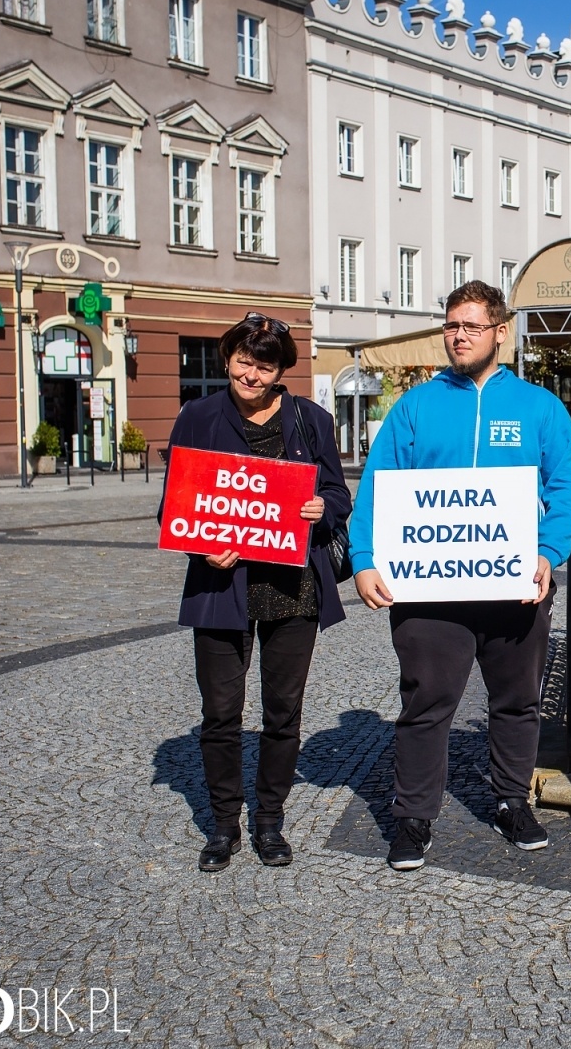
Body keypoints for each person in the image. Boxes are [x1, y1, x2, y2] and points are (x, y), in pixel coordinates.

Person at [350, 281, 571, 872]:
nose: (458, 336)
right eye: (451, 326)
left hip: (514, 586)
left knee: (517, 701)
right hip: (430, 590)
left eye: (471, 326)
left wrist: (549, 553)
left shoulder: (539, 407)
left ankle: (510, 799)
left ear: (502, 331)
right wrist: (364, 557)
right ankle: (413, 816)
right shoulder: (416, 407)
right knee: (426, 703)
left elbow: (561, 490)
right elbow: (376, 484)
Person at [162, 313, 352, 873]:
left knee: (282, 712)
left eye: (263, 365)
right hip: (223, 585)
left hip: (292, 586)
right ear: (227, 360)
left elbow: (339, 494)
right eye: (243, 361)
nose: (251, 373)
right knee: (220, 712)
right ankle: (224, 824)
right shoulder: (197, 417)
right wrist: (201, 546)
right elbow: (175, 502)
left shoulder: (310, 419)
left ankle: (268, 819)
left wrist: (323, 510)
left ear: (280, 370)